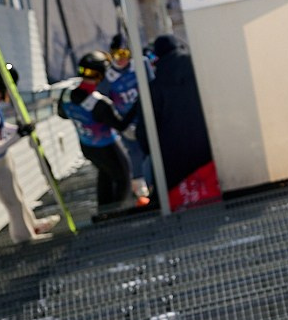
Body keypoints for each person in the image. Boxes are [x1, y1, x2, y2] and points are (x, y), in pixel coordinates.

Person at [0, 62, 57, 244]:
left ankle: (32, 225)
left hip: (1, 163)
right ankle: (24, 238)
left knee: (18, 197)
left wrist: (17, 129)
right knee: (13, 205)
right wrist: (19, 135)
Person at [57, 50, 143, 216]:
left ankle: (103, 212)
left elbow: (62, 114)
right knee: (123, 176)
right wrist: (137, 104)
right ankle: (118, 213)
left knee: (105, 173)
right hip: (107, 147)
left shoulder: (66, 94)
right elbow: (120, 125)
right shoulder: (99, 103)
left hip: (87, 146)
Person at [144, 34, 219, 209]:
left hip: (175, 161)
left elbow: (145, 131)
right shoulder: (201, 70)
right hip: (209, 149)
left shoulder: (154, 87)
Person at [105, 33, 151, 201]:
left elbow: (153, 86)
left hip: (146, 115)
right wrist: (119, 124)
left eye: (124, 54)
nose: (120, 59)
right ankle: (140, 188)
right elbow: (105, 103)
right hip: (127, 121)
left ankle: (155, 181)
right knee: (134, 152)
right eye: (116, 55)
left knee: (151, 149)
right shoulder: (108, 76)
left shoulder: (141, 64)